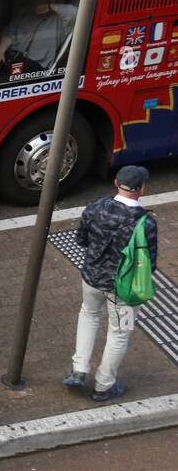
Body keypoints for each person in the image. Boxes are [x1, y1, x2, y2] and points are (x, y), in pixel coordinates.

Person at [64, 165, 159, 402]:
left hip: (92, 279)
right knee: (119, 333)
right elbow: (150, 263)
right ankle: (104, 386)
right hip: (124, 291)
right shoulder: (145, 223)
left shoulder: (96, 206)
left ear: (116, 183)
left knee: (88, 314)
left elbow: (81, 239)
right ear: (141, 189)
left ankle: (79, 369)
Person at [0, 0, 76, 76]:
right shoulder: (24, 13)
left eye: (47, 0)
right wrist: (0, 53)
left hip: (39, 71)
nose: (41, 2)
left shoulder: (61, 19)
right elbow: (8, 33)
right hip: (14, 64)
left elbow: (77, 13)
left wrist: (50, 6)